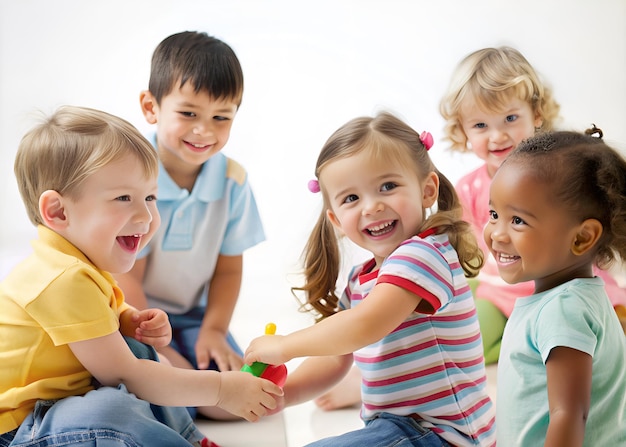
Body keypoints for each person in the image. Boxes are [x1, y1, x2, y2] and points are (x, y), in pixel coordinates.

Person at [0, 106, 281, 447]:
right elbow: (124, 376)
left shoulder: (81, 263)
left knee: (139, 350)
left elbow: (96, 329)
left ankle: (189, 437)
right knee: (112, 408)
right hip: (20, 428)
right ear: (58, 211)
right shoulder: (62, 278)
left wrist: (128, 320)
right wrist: (220, 389)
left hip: (59, 407)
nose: (147, 216)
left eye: (150, 197)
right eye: (124, 198)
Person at [245, 111, 496, 446]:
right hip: (400, 430)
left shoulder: (423, 255)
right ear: (335, 218)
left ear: (427, 190)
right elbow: (335, 357)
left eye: (388, 186)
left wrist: (284, 346)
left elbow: (364, 325)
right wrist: (283, 395)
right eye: (352, 198)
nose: (371, 207)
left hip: (443, 435)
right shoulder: (359, 281)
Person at [439, 46, 626, 365]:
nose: (497, 136)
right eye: (480, 126)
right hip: (501, 293)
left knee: (609, 329)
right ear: (463, 129)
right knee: (464, 343)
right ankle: (516, 348)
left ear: (536, 114)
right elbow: (466, 248)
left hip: (566, 287)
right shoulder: (468, 188)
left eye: (510, 118)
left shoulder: (558, 174)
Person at [114, 31, 266, 420]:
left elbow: (229, 269)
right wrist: (158, 345)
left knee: (232, 405)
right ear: (151, 107)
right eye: (188, 114)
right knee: (155, 383)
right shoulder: (132, 177)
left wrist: (214, 330)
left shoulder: (232, 181)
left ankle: (187, 379)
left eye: (221, 117)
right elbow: (128, 274)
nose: (205, 131)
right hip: (131, 315)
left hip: (194, 316)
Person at [485, 129, 626, 446]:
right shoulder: (574, 297)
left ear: (581, 238)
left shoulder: (564, 309)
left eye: (518, 220)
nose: (497, 233)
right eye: (494, 214)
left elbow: (569, 414)